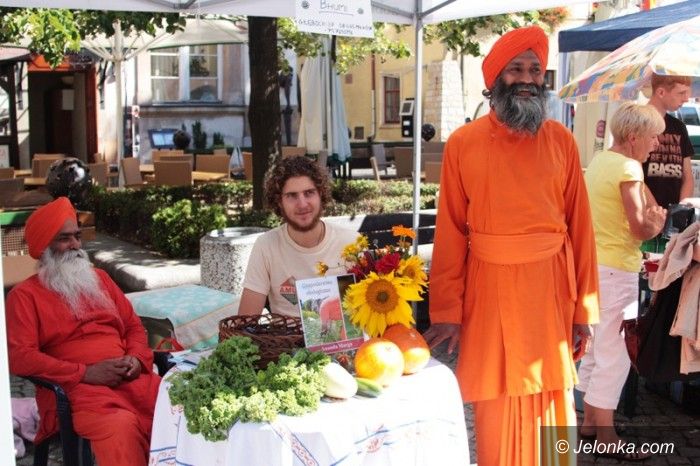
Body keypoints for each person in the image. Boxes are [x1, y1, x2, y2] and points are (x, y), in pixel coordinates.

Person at [423, 26, 600, 466]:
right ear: (495, 78)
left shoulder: (561, 140)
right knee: (496, 403)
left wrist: (584, 310)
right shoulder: (463, 143)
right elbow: (450, 231)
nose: (527, 78)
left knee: (554, 397)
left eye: (535, 70)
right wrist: (447, 311)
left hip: (551, 291)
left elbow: (581, 228)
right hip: (489, 289)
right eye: (515, 69)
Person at [6, 197, 160, 466]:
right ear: (44, 247)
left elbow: (133, 326)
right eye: (64, 239)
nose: (75, 245)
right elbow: (20, 357)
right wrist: (84, 373)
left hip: (131, 380)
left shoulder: (101, 279)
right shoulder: (24, 296)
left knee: (179, 408)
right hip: (78, 392)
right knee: (121, 427)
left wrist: (136, 359)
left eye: (77, 236)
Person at [577, 102, 666, 461]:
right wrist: (656, 224)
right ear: (633, 137)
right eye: (653, 137)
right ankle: (606, 437)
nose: (656, 144)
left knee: (596, 349)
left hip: (595, 267)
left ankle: (590, 424)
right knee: (615, 354)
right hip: (618, 270)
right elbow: (639, 228)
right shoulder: (629, 168)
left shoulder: (601, 160)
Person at [238, 155, 356, 316]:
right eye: (292, 196)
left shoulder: (351, 243)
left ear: (321, 194)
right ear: (279, 202)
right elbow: (246, 320)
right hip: (283, 333)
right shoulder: (266, 246)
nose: (302, 204)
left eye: (309, 193)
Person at [641, 75, 694, 252]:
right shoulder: (637, 122)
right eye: (681, 93)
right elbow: (631, 173)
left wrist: (680, 211)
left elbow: (687, 176)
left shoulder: (679, 127)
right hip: (644, 219)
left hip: (673, 223)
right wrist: (656, 210)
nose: (686, 99)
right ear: (661, 92)